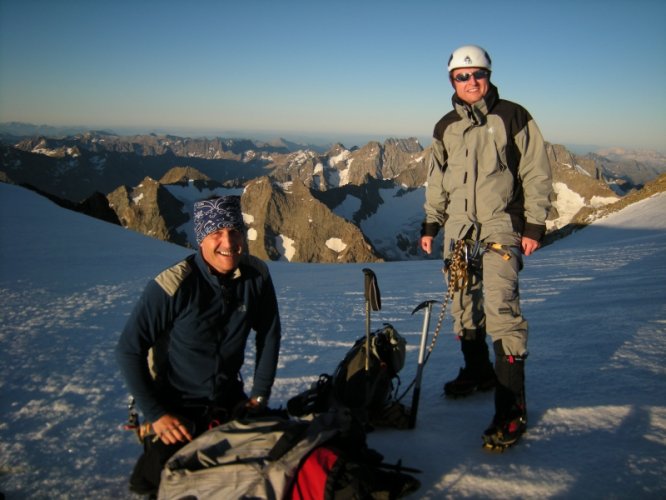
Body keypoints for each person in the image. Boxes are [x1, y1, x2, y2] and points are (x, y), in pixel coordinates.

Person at [420, 45, 552, 449]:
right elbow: (437, 179)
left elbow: (535, 171)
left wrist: (533, 224)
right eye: (462, 76)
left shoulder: (513, 116)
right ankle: (477, 371)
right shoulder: (445, 126)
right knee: (463, 304)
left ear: (489, 75)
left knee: (501, 310)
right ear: (452, 82)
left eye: (477, 74)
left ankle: (511, 410)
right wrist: (431, 222)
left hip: (501, 225)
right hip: (458, 228)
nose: (471, 81)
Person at [116, 195, 282, 494]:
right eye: (216, 233)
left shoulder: (257, 275)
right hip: (176, 404)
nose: (228, 242)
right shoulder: (173, 284)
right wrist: (156, 415)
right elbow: (129, 349)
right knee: (159, 483)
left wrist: (259, 396)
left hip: (229, 396)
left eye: (233, 231)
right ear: (201, 240)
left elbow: (269, 333)